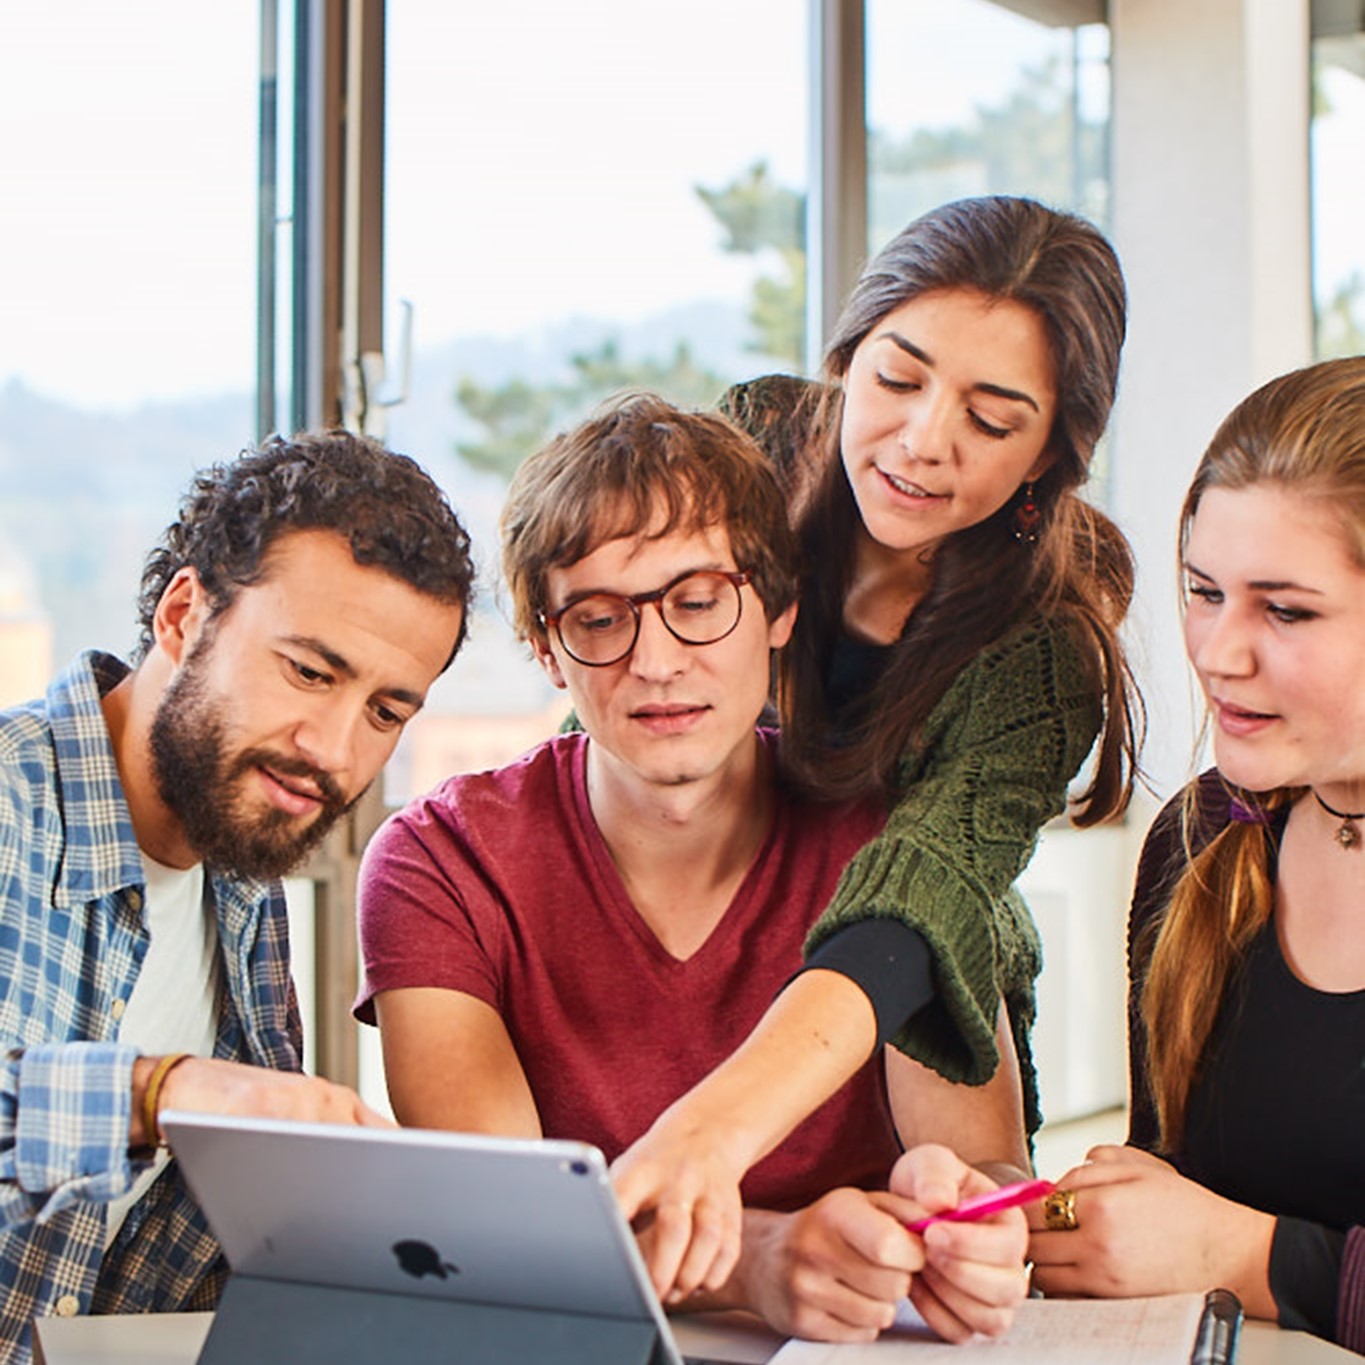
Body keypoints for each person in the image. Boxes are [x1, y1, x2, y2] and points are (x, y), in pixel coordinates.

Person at [356, 395, 1032, 1344]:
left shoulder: (901, 852)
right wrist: (755, 1260)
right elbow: (498, 1232)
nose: (657, 662)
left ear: (781, 610)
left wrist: (970, 1232)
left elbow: (985, 1175)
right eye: (598, 619)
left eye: (700, 602)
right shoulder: (438, 861)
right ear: (548, 650)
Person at [609, 194, 1142, 1300]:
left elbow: (921, 908)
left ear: (1051, 459)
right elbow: (624, 686)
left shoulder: (1042, 654)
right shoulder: (753, 441)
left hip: (883, 990)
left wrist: (711, 1131)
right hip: (676, 886)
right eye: (897, 379)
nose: (920, 441)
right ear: (848, 355)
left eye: (992, 422)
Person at [0, 430, 474, 1365]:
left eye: (385, 711)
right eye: (308, 670)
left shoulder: (242, 892)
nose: (334, 750)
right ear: (183, 614)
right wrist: (164, 1090)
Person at [1028, 356, 1365, 1353]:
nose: (1218, 651)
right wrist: (1038, 1223)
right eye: (1204, 592)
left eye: (1285, 610)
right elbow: (1170, 1189)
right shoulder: (1205, 837)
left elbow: (1212, 1241)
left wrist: (1248, 1260)